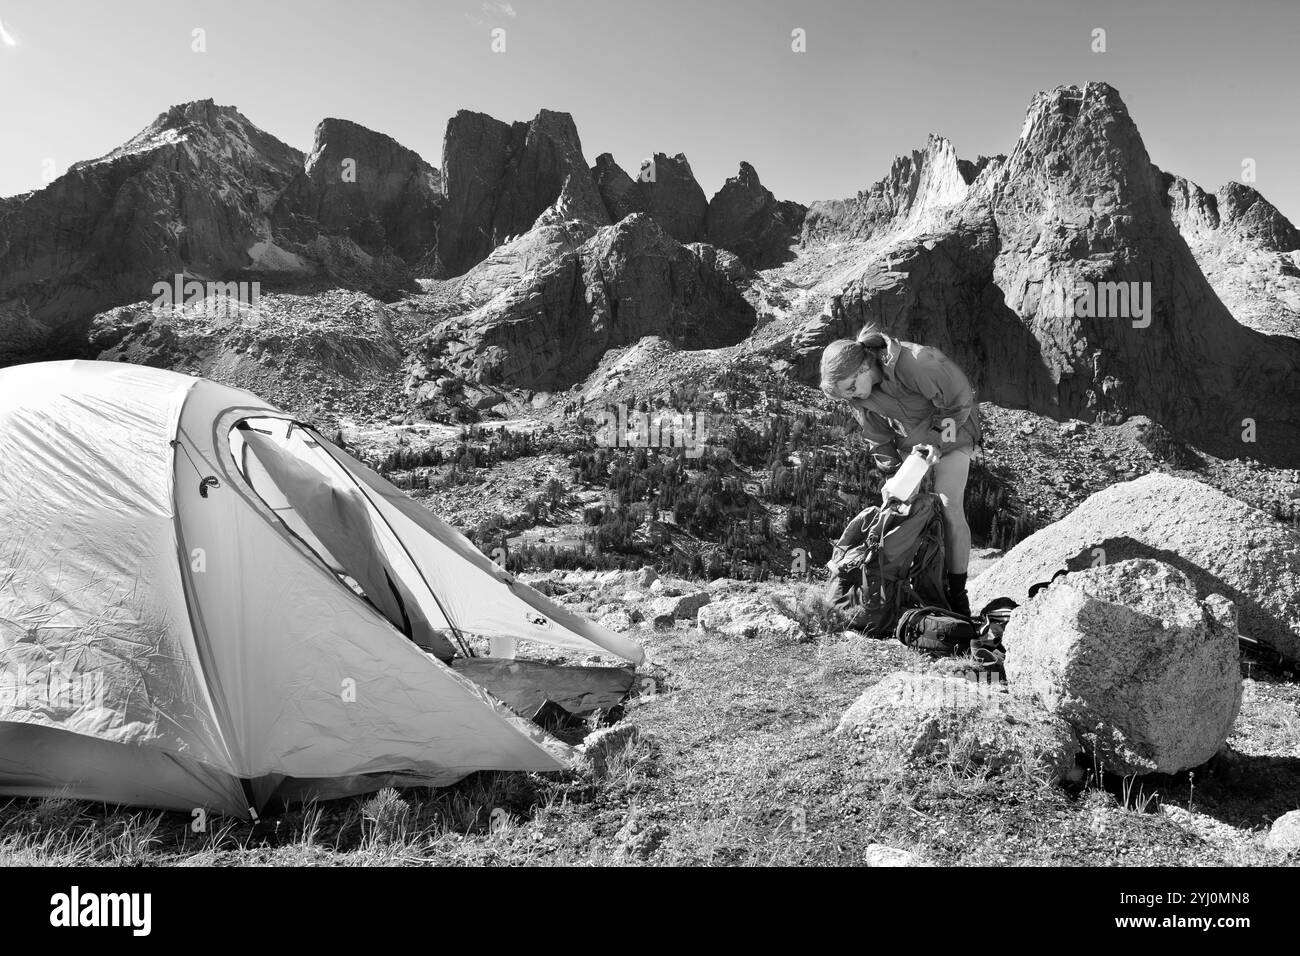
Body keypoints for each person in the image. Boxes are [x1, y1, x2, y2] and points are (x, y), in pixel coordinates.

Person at [819, 325, 982, 615]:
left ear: (864, 368)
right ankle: (902, 588)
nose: (852, 397)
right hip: (914, 441)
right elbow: (878, 437)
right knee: (900, 508)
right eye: (846, 395)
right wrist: (892, 472)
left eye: (851, 388)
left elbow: (959, 400)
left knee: (948, 504)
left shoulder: (915, 362)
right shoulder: (859, 396)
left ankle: (957, 594)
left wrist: (936, 443)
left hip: (953, 430)